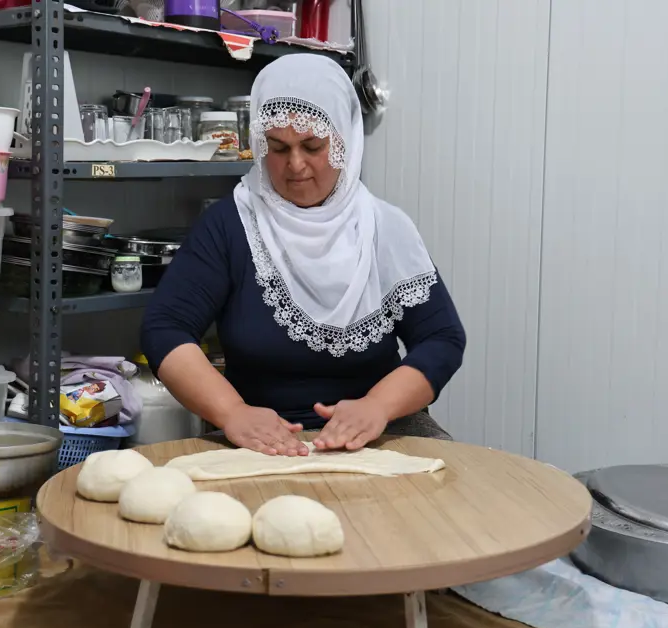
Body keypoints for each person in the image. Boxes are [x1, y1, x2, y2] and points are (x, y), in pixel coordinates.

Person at [140, 54, 465, 457]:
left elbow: (441, 338)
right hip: (262, 434)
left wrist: (378, 406)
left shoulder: (385, 228)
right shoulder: (231, 225)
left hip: (382, 428)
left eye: (313, 146)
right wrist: (232, 412)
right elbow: (165, 328)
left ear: (344, 141)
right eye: (278, 148)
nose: (295, 165)